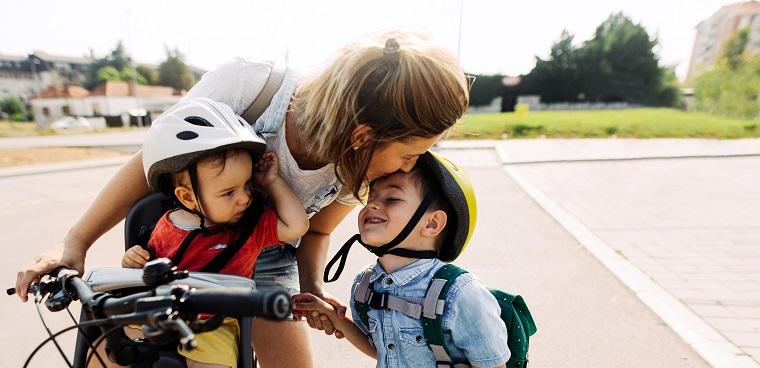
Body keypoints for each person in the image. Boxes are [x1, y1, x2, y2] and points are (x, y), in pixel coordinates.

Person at [16, 30, 471, 367]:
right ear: (363, 135)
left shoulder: (356, 167)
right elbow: (146, 163)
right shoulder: (251, 90)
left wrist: (311, 290)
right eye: (410, 152)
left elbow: (316, 229)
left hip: (268, 257)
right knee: (113, 352)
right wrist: (75, 242)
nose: (410, 167)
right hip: (182, 244)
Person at [122, 97, 308, 368]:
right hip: (163, 311)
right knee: (110, 346)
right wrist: (133, 259)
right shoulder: (165, 225)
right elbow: (147, 272)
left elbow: (297, 226)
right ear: (187, 197)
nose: (245, 198)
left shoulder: (251, 227)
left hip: (215, 322)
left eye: (247, 185)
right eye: (228, 192)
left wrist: (272, 182)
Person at [293, 152, 510, 368]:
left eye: (392, 199)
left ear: (432, 224)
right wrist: (334, 316)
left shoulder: (460, 294)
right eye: (371, 198)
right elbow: (380, 349)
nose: (372, 205)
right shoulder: (366, 285)